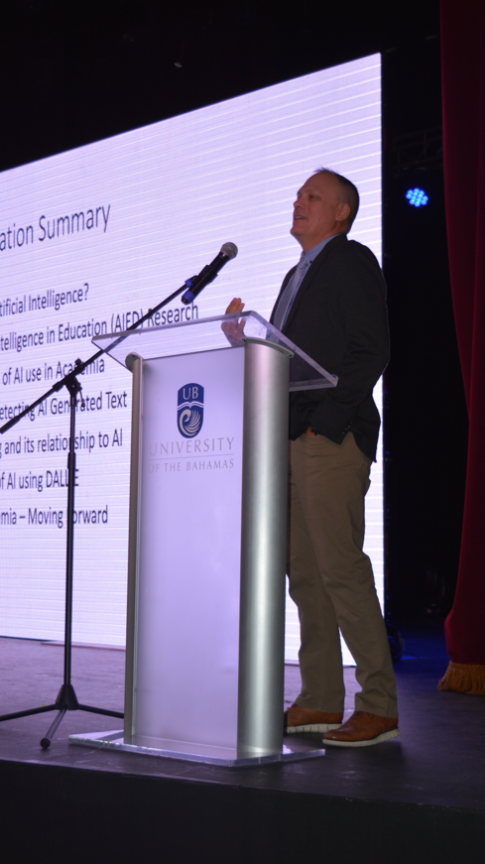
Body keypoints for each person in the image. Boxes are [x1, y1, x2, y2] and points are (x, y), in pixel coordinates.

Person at [225, 169, 399, 747]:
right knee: (305, 575)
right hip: (291, 436)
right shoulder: (295, 274)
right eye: (299, 195)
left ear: (341, 213)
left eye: (313, 196)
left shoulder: (351, 261)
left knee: (341, 569)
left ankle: (379, 705)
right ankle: (321, 697)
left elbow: (370, 350)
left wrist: (326, 422)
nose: (299, 202)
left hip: (330, 436)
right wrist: (246, 344)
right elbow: (292, 360)